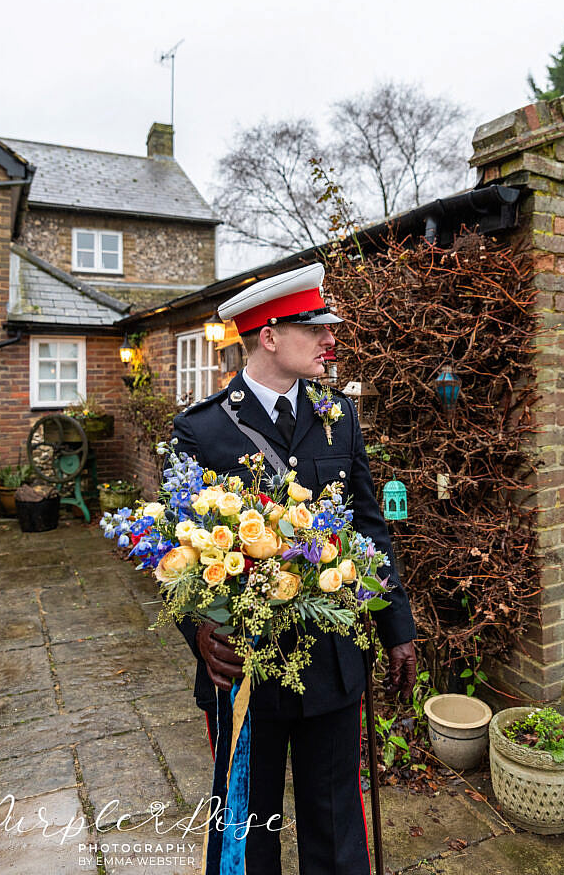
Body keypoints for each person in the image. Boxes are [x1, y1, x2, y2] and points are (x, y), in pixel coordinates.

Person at [171, 262, 417, 875]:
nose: (331, 339)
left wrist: (399, 628)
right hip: (245, 664)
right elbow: (175, 550)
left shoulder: (340, 414)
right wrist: (198, 633)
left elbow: (368, 529)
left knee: (335, 818)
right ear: (270, 336)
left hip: (333, 657)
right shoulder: (200, 428)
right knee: (246, 824)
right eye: (315, 327)